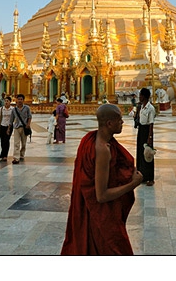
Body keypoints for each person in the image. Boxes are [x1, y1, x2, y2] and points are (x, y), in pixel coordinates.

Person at [61, 103, 143, 254]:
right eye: (119, 119)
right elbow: (101, 195)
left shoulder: (89, 138)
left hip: (91, 211)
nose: (122, 123)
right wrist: (133, 183)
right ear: (109, 123)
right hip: (100, 217)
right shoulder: (102, 149)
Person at [134, 87, 156, 186]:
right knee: (140, 153)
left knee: (148, 154)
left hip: (147, 131)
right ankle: (142, 175)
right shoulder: (141, 107)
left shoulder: (150, 108)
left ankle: (150, 178)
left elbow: (151, 124)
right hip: (141, 130)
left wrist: (150, 137)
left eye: (141, 95)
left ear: (144, 96)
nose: (139, 97)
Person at [10, 94, 32, 164]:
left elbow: (29, 116)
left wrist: (28, 124)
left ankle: (21, 154)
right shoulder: (14, 110)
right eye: (18, 99)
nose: (19, 100)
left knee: (23, 144)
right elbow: (11, 120)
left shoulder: (27, 108)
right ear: (16, 100)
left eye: (21, 99)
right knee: (16, 143)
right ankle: (16, 157)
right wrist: (9, 128)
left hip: (24, 127)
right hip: (16, 127)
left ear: (23, 100)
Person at [0, 96, 13, 161]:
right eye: (5, 101)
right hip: (2, 126)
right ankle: (3, 153)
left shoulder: (12, 109)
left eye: (7, 101)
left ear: (10, 102)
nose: (6, 102)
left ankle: (5, 155)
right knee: (2, 140)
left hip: (9, 126)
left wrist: (9, 127)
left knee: (6, 140)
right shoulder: (1, 109)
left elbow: (13, 119)